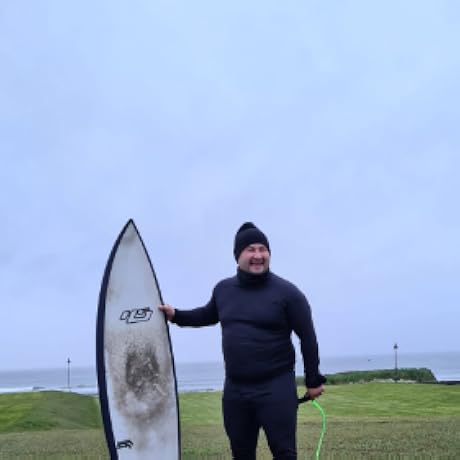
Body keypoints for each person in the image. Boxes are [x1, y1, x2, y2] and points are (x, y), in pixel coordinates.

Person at [159, 222, 326, 460]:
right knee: (241, 454)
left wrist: (313, 379)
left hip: (276, 386)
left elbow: (308, 337)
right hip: (236, 389)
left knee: (285, 454)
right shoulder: (223, 290)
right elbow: (207, 315)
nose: (258, 255)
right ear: (238, 256)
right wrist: (176, 315)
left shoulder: (288, 293)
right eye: (250, 249)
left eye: (262, 249)